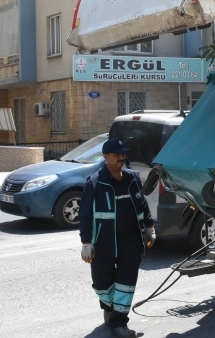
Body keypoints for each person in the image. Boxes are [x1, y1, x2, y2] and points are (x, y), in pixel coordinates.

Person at [79, 138, 156, 338]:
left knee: (126, 281)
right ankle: (109, 308)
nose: (122, 158)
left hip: (131, 241)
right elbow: (85, 214)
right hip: (103, 242)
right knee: (102, 281)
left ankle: (119, 322)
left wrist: (149, 226)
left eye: (123, 154)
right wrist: (86, 242)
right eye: (117, 155)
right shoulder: (95, 182)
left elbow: (143, 204)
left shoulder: (132, 178)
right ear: (105, 157)